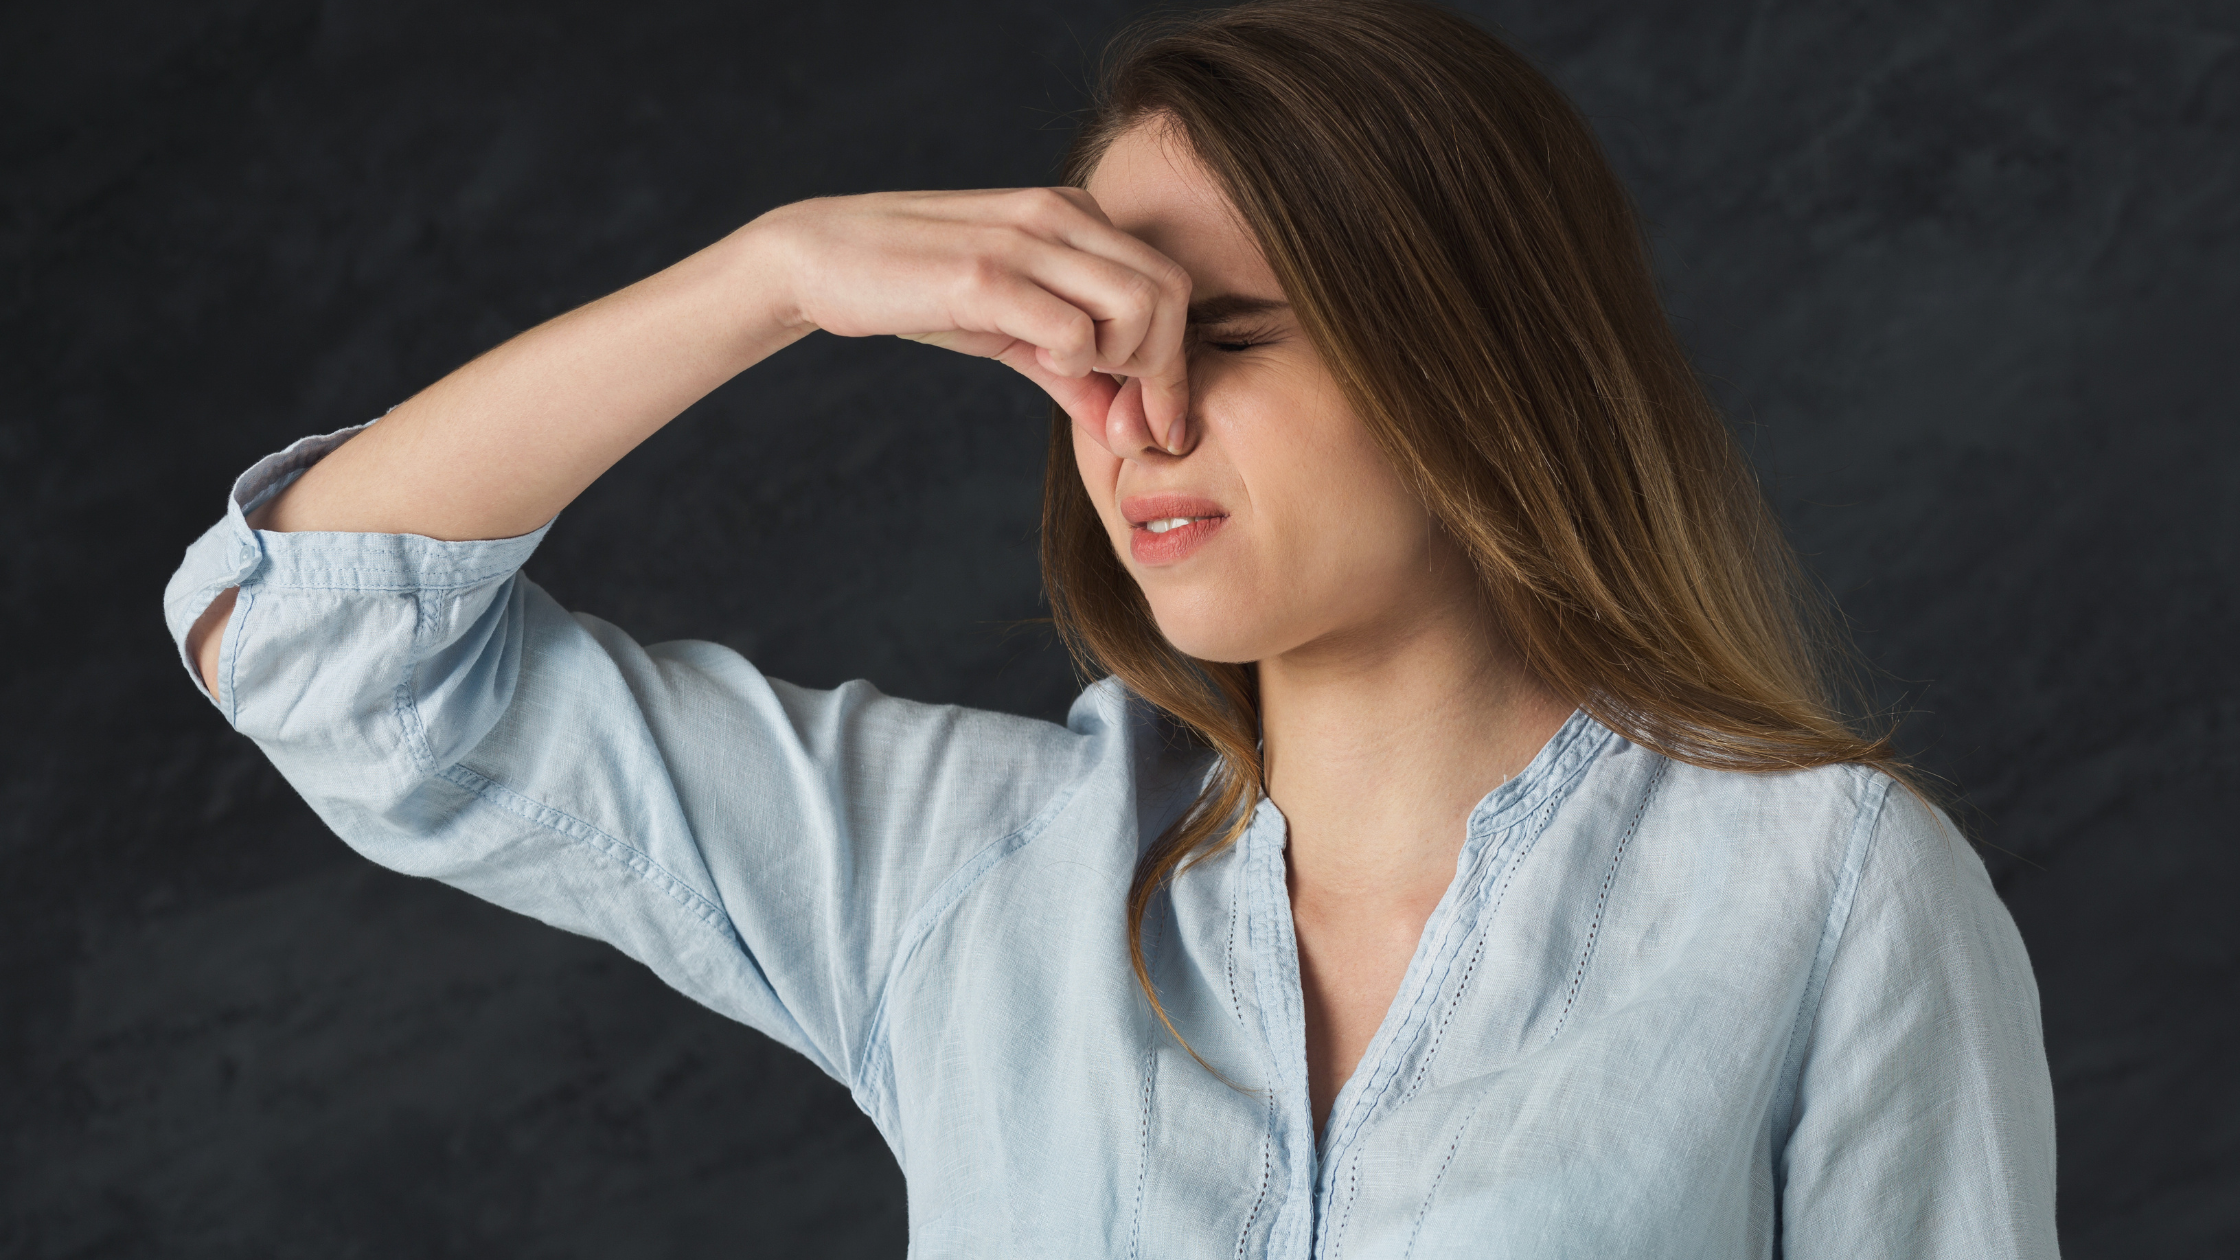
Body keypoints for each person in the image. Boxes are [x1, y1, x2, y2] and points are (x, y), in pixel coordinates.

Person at [162, 1, 2058, 1254]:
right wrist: (770, 279)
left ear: (1478, 357)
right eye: (1085, 349)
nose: (1132, 421)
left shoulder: (1828, 890)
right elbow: (318, 646)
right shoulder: (961, 877)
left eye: (1222, 338)